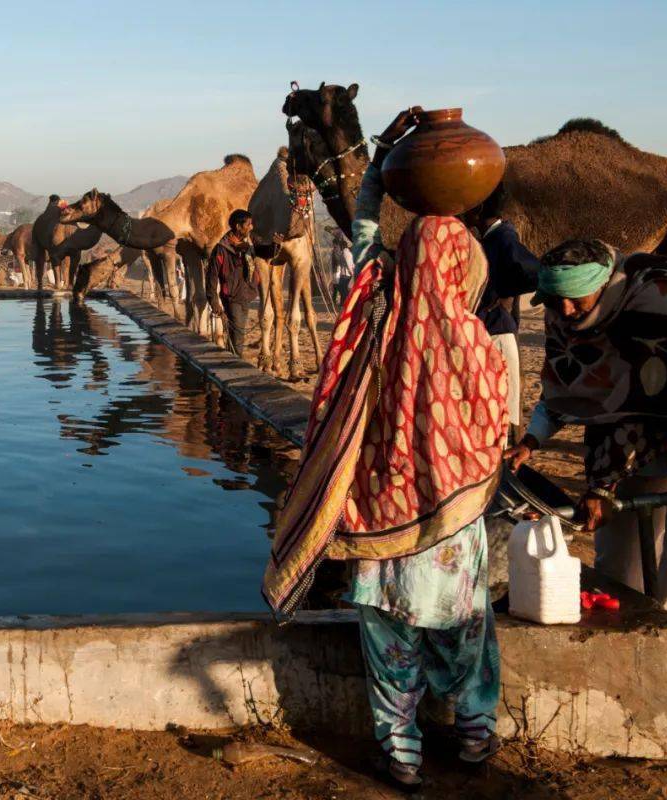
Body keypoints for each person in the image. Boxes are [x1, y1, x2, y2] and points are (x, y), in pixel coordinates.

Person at [263, 108, 506, 790]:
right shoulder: (478, 343)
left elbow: (363, 220)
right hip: (453, 530)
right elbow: (495, 429)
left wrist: (390, 147)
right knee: (466, 633)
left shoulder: (380, 301)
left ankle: (400, 754)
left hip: (383, 518)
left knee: (388, 641)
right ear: (464, 274)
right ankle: (475, 733)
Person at [506, 238, 667, 633]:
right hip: (622, 440)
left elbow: (644, 405)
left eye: (574, 300)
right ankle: (630, 622)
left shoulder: (655, 306)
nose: (564, 310)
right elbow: (569, 384)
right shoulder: (562, 312)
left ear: (600, 285)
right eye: (552, 300)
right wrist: (531, 442)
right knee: (620, 550)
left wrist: (603, 487)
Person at [462, 186, 540, 440]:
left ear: (478, 209)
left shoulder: (503, 239)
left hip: (497, 335)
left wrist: (506, 293)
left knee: (499, 419)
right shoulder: (488, 240)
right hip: (487, 334)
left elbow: (533, 274)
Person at [206, 209, 258, 356]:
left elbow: (265, 252)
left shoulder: (247, 247)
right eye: (248, 224)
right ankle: (237, 363)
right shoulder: (221, 249)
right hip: (231, 297)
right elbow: (212, 276)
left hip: (246, 295)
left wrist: (275, 245)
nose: (251, 227)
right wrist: (213, 301)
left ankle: (232, 360)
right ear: (238, 226)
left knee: (237, 333)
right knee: (238, 334)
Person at [329, 228, 355, 307]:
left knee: (344, 296)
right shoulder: (346, 253)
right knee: (345, 295)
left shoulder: (342, 253)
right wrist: (353, 274)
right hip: (346, 276)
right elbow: (349, 265)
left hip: (343, 276)